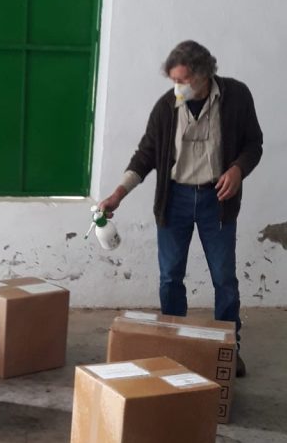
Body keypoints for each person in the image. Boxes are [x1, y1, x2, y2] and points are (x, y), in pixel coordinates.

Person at [98, 40, 263, 377]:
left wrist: (237, 170)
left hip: (217, 201)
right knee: (171, 277)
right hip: (174, 200)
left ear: (204, 74)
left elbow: (253, 144)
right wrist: (118, 193)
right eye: (173, 80)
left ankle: (228, 351)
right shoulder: (166, 107)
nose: (178, 87)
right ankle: (174, 346)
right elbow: (145, 154)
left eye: (183, 80)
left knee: (224, 279)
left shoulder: (236, 96)